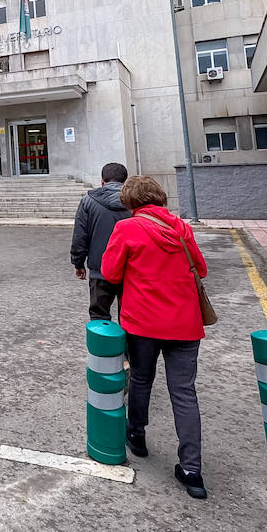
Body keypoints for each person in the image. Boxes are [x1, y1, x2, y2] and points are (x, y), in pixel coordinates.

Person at [100, 175, 210, 500]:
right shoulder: (181, 227)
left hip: (143, 321)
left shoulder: (127, 228)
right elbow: (201, 269)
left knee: (141, 378)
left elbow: (110, 272)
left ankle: (136, 434)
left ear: (129, 201)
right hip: (185, 323)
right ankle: (192, 469)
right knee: (185, 392)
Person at [71, 163, 132, 320]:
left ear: (102, 181)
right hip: (130, 269)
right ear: (125, 181)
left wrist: (78, 263)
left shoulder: (88, 201)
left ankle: (102, 338)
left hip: (100, 269)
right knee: (130, 318)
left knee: (99, 317)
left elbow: (80, 236)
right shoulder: (135, 201)